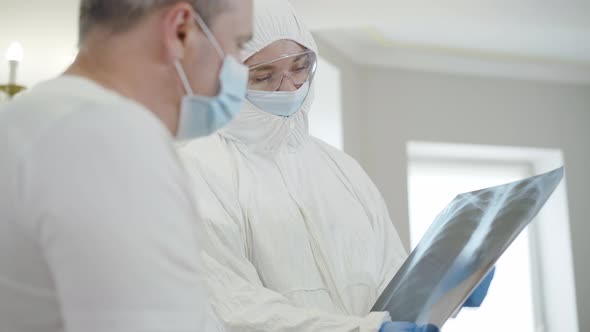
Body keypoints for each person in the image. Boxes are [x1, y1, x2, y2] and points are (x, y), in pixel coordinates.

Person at [179, 1, 493, 331]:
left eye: (299, 68)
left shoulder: (342, 169)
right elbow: (234, 307)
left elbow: (388, 277)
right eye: (263, 76)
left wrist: (442, 284)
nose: (289, 88)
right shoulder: (199, 170)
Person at [0, 1, 252, 331]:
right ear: (181, 30)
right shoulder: (110, 137)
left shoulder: (29, 117)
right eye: (238, 44)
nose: (239, 70)